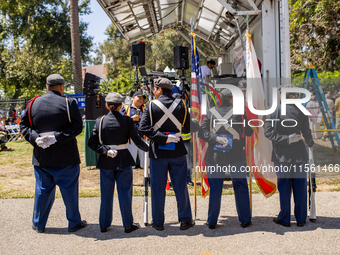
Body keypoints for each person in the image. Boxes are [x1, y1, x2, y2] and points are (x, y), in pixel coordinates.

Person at [20, 74, 87, 233]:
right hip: (66, 156)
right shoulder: (68, 102)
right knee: (70, 192)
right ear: (62, 87)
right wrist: (57, 138)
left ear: (46, 86)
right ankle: (73, 223)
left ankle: (39, 224)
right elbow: (77, 127)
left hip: (42, 157)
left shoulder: (32, 103)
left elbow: (24, 127)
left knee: (42, 192)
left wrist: (36, 139)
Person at [139, 78, 197, 231]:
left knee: (158, 188)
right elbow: (188, 127)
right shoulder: (182, 104)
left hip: (158, 152)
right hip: (178, 150)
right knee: (180, 187)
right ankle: (185, 220)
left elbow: (143, 128)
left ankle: (158, 222)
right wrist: (173, 134)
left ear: (158, 89)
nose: (153, 90)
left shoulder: (151, 106)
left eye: (154, 88)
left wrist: (162, 138)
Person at [88, 92, 148, 233]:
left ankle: (104, 224)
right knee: (125, 193)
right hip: (123, 157)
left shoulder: (100, 121)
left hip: (107, 159)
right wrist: (149, 149)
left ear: (107, 106)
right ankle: (128, 224)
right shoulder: (127, 121)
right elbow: (137, 140)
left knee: (106, 194)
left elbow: (92, 143)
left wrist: (105, 151)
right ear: (121, 105)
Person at [198, 88, 253, 229]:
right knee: (240, 185)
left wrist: (215, 138)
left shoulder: (210, 113)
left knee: (216, 187)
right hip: (236, 155)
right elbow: (248, 132)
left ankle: (212, 221)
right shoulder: (240, 113)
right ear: (230, 99)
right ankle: (245, 219)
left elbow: (202, 133)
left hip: (215, 155)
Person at [264, 85, 314, 227]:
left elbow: (268, 133)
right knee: (300, 187)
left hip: (282, 156)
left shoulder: (275, 111)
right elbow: (307, 132)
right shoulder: (302, 111)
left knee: (284, 187)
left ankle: (285, 218)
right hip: (299, 154)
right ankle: (300, 219)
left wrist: (285, 139)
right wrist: (310, 143)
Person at [120, 90, 147, 169]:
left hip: (143, 138)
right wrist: (131, 119)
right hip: (131, 139)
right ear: (133, 97)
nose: (141, 100)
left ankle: (146, 179)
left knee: (145, 164)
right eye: (139, 98)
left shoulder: (146, 108)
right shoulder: (125, 108)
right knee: (130, 165)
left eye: (142, 98)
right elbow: (120, 121)